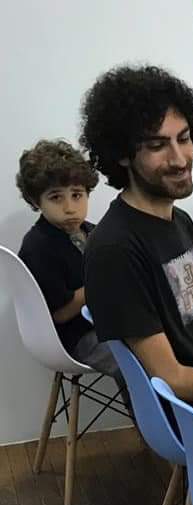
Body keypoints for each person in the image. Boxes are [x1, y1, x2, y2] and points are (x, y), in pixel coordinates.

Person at [80, 65, 193, 403]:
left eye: (184, 139)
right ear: (123, 155)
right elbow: (172, 380)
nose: (180, 159)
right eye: (158, 145)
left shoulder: (180, 221)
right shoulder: (114, 250)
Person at [16, 140, 123, 387]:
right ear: (36, 201)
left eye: (77, 195)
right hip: (77, 337)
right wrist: (101, 282)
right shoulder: (38, 247)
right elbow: (61, 314)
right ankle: (148, 410)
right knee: (136, 362)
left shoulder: (94, 233)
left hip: (109, 324)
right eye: (56, 197)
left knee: (164, 341)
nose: (69, 208)